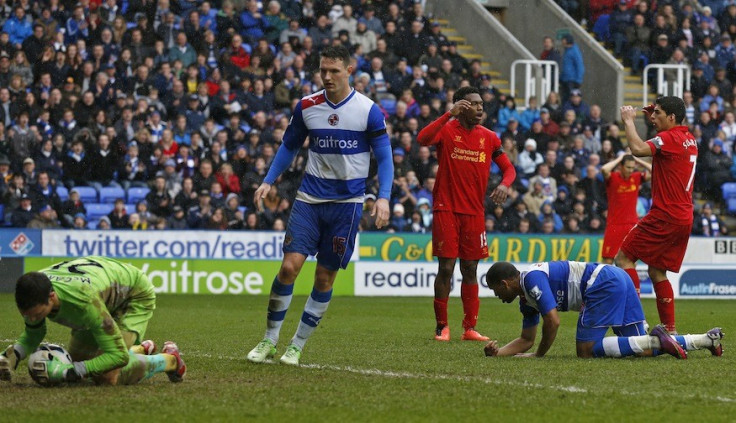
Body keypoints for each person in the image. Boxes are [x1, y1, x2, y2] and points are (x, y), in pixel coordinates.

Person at [246, 45, 393, 366]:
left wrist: (383, 197)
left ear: (349, 70)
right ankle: (270, 339)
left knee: (324, 279)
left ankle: (296, 344)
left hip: (347, 206)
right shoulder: (307, 106)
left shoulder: (368, 110)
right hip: (309, 200)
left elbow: (384, 157)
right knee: (288, 268)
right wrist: (268, 180)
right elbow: (289, 146)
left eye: (334, 71)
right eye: (322, 70)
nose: (326, 76)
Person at [416, 86, 516, 342]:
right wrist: (448, 115)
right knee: (446, 267)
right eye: (473, 103)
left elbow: (509, 170)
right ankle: (442, 327)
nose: (480, 107)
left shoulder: (490, 137)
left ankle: (469, 328)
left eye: (481, 103)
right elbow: (422, 139)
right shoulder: (447, 130)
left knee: (470, 268)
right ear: (461, 107)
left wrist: (504, 184)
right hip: (446, 209)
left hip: (474, 212)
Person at [0, 257, 186, 385]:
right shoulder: (33, 289)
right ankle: (140, 349)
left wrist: (73, 371)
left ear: (52, 297)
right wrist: (15, 353)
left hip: (131, 296)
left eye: (38, 314)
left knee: (106, 375)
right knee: (81, 362)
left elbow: (118, 357)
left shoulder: (82, 301)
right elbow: (35, 332)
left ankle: (170, 360)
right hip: (100, 294)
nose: (32, 319)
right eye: (27, 315)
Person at [483, 261, 723, 359]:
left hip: (602, 283)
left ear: (505, 284)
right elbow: (526, 339)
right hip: (617, 277)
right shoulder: (525, 300)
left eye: (496, 291)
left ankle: (654, 340)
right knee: (641, 349)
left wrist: (538, 356)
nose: (496, 296)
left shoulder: (531, 280)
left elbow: (553, 321)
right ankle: (705, 340)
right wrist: (499, 353)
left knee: (586, 350)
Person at [617, 97, 697, 334]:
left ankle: (635, 322)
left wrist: (629, 121)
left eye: (658, 114)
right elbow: (666, 135)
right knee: (656, 270)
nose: (652, 117)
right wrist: (655, 109)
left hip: (665, 214)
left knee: (624, 259)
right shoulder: (689, 139)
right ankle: (670, 330)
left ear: (671, 118)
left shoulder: (669, 138)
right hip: (684, 216)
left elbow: (638, 149)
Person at [599, 154, 651, 266]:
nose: (631, 170)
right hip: (614, 225)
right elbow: (604, 169)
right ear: (621, 166)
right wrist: (619, 158)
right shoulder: (612, 178)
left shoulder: (636, 177)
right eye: (628, 167)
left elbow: (654, 170)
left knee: (629, 261)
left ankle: (628, 283)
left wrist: (637, 159)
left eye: (632, 168)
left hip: (631, 225)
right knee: (607, 261)